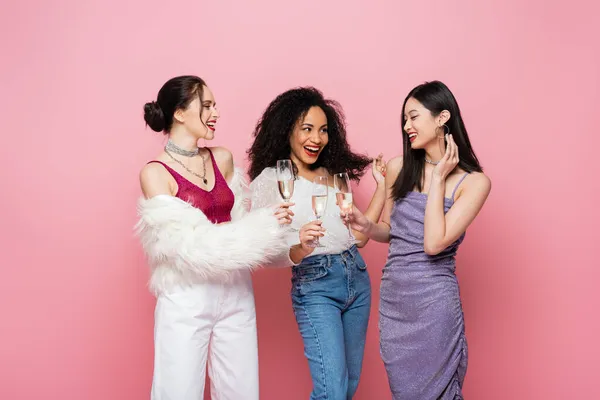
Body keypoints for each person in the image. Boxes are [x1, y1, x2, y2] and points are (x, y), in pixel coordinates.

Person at [135, 75, 292, 400]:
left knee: (242, 391)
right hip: (186, 296)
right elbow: (190, 248)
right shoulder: (155, 173)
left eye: (215, 105)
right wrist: (263, 229)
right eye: (206, 105)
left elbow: (247, 219)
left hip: (235, 290)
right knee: (177, 392)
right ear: (179, 113)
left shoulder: (222, 158)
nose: (215, 112)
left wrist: (278, 225)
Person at [346, 80, 492, 399]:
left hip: (434, 302)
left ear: (442, 118)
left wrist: (439, 177)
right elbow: (389, 231)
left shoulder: (475, 183)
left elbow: (433, 243)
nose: (406, 125)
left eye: (413, 117)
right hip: (396, 301)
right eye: (404, 119)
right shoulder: (399, 168)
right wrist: (366, 226)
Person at [247, 87, 386, 399]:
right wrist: (299, 245)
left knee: (347, 387)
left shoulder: (335, 174)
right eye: (306, 129)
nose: (317, 139)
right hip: (316, 282)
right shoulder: (271, 180)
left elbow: (360, 236)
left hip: (356, 277)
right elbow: (260, 250)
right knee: (331, 391)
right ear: (287, 131)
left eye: (323, 130)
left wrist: (383, 188)